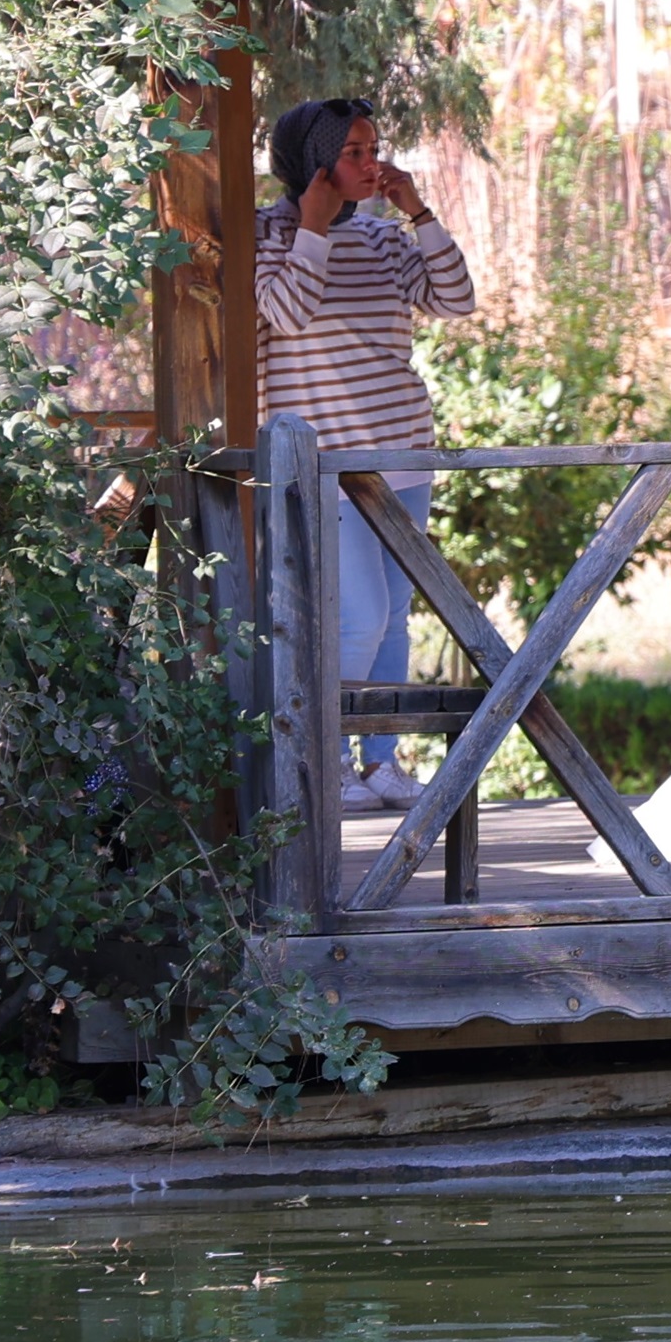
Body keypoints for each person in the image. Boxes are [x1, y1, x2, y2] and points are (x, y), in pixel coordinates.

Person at [256, 96, 478, 818]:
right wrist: (312, 230)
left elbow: (457, 299)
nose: (371, 162)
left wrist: (418, 211)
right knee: (360, 616)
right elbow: (284, 313)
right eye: (352, 151)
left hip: (404, 453)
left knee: (396, 613)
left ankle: (380, 761)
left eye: (374, 148)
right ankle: (328, 758)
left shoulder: (385, 239)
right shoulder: (269, 234)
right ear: (312, 158)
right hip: (323, 465)